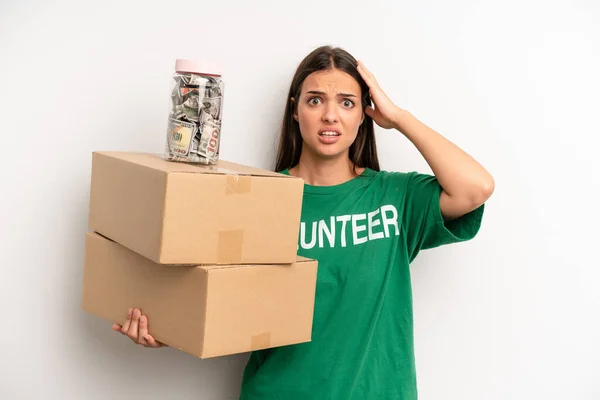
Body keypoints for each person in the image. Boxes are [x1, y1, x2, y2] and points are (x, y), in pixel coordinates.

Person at [113, 45, 495, 399]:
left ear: (365, 113)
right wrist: (166, 327)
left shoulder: (395, 198)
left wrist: (398, 117)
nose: (330, 115)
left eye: (347, 102)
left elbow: (475, 187)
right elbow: (218, 300)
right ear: (295, 110)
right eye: (316, 100)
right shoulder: (258, 202)